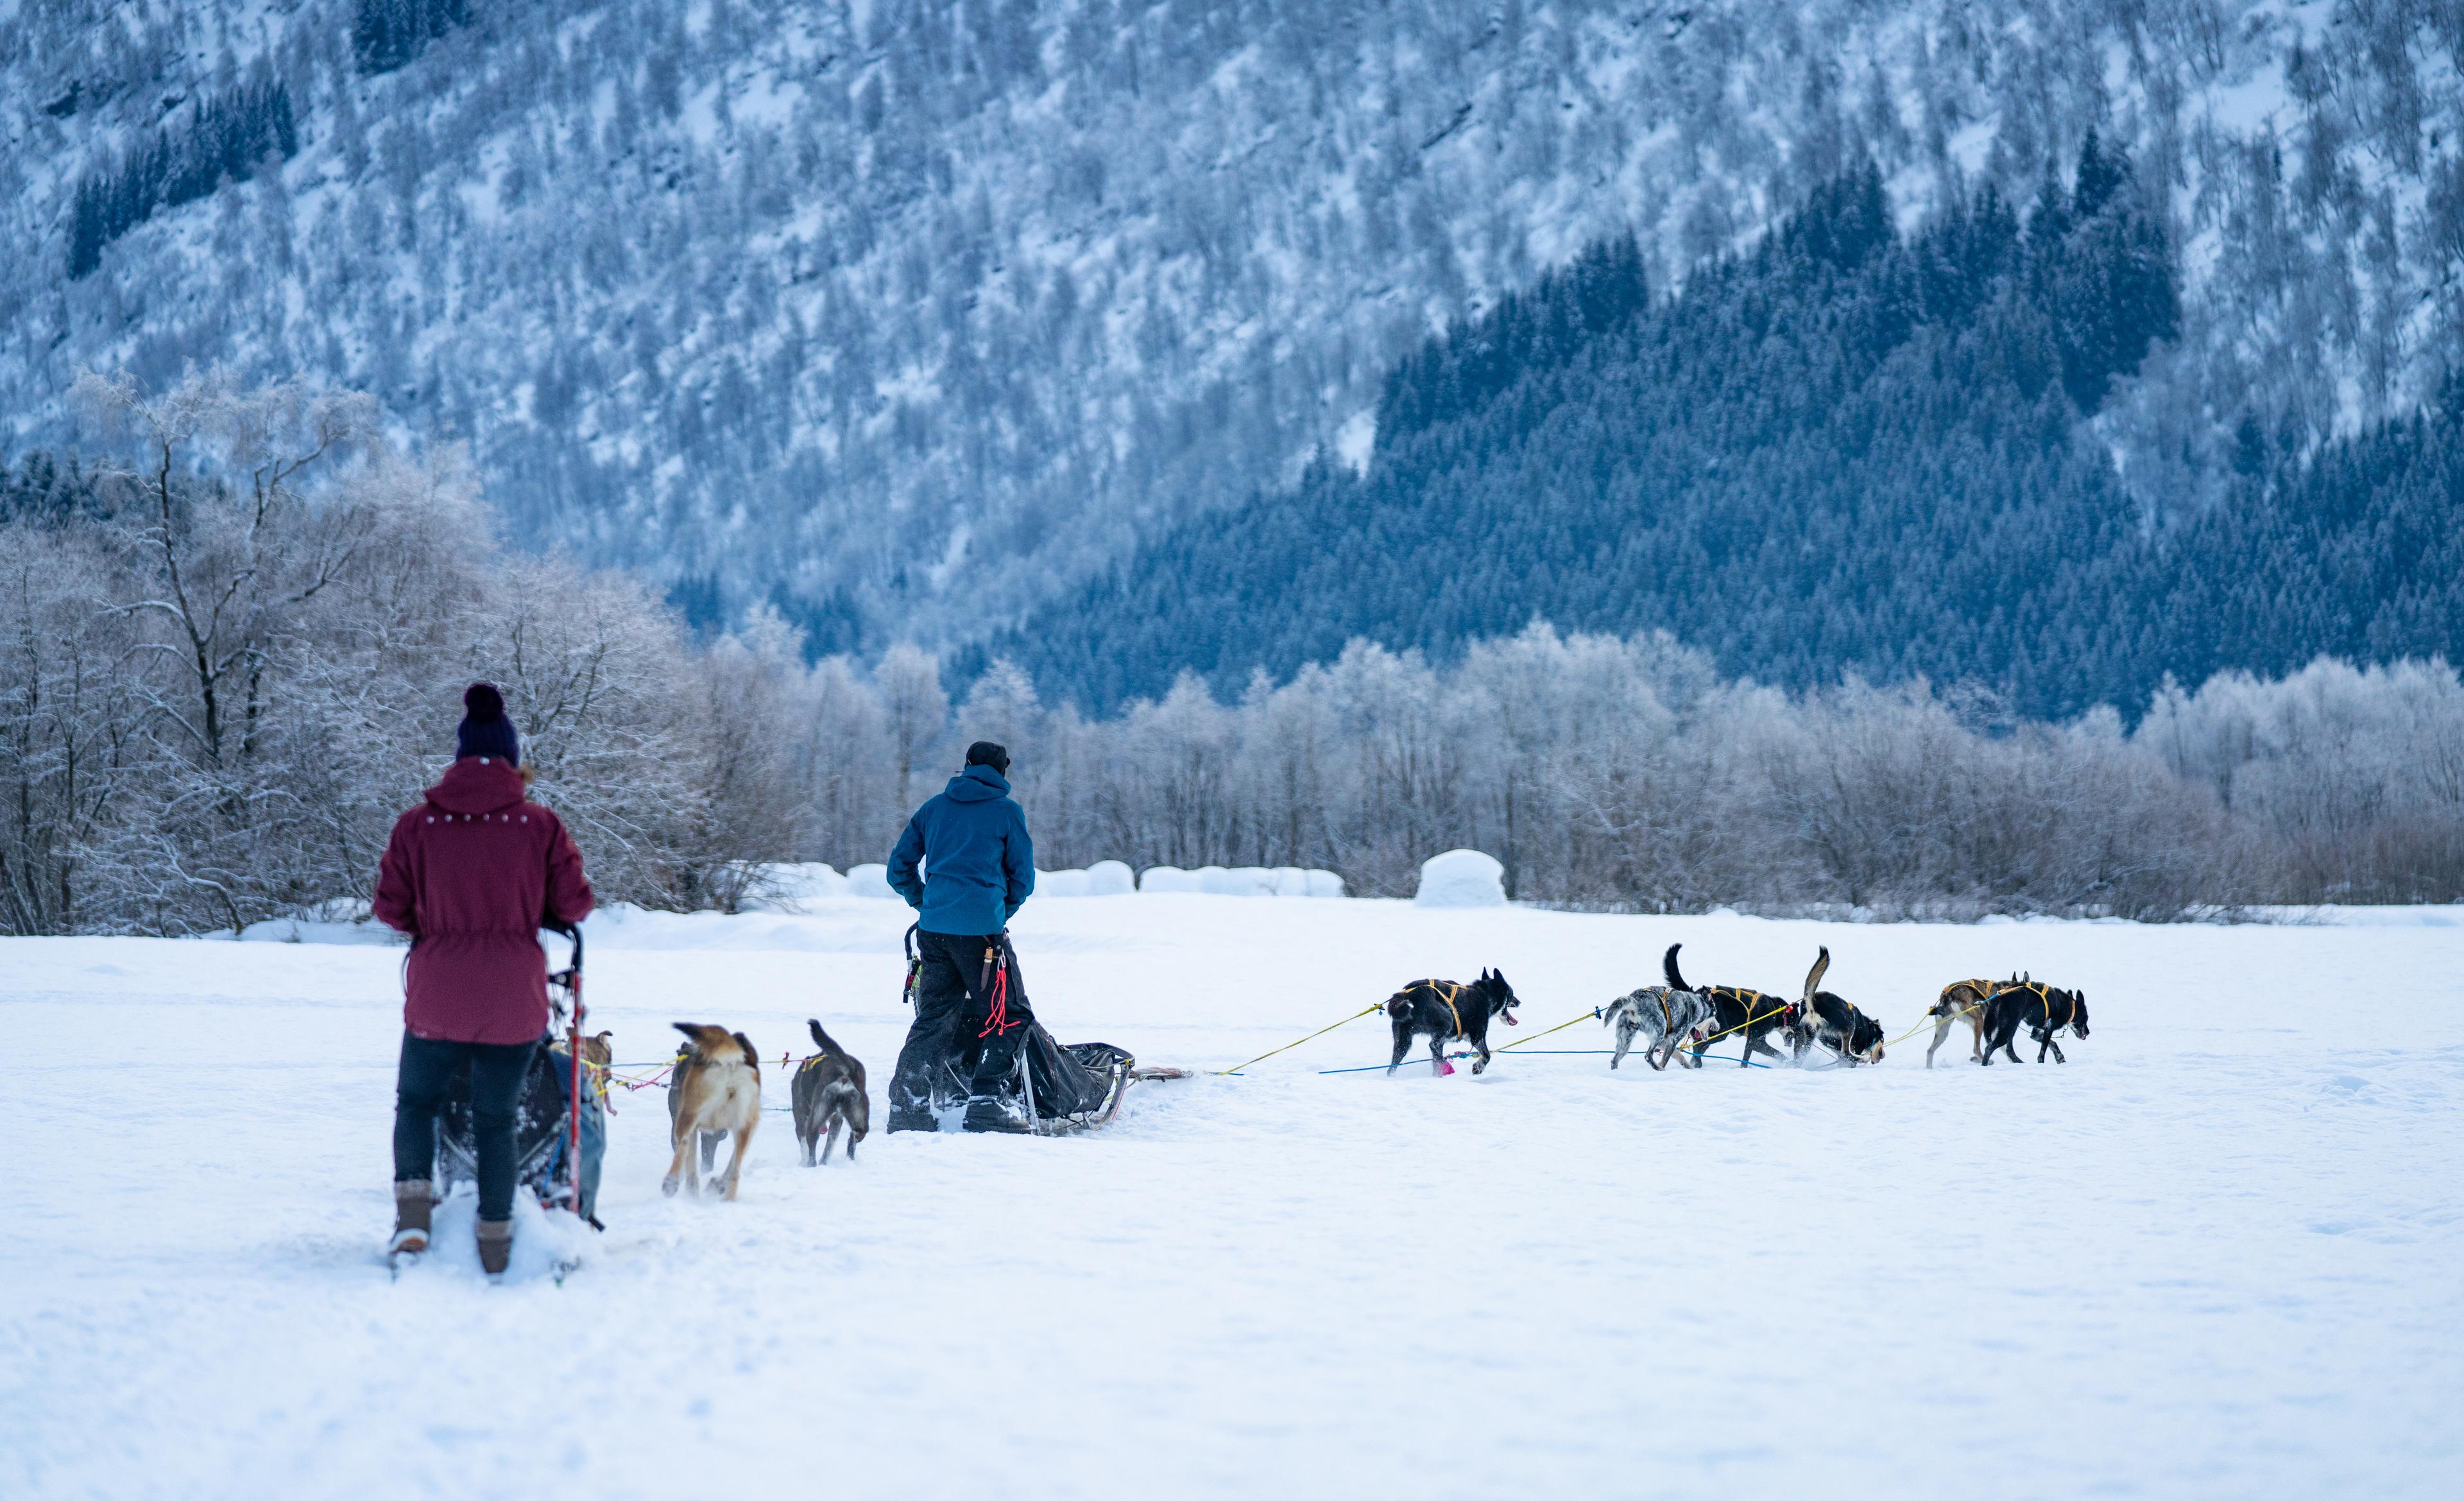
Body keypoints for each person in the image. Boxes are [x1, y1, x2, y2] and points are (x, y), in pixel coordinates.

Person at [373, 683, 594, 1272]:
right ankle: (496, 1243)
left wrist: (438, 918)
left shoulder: (417, 825)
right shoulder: (539, 825)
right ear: (513, 758)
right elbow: (575, 904)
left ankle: (413, 1222)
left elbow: (390, 908)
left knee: (416, 1102)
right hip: (511, 1000)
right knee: (496, 1119)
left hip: (436, 995)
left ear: (460, 757)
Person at [886, 740, 1037, 1133]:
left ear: (966, 765)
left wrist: (926, 904)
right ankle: (988, 1101)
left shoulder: (934, 807)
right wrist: (999, 912)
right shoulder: (1008, 812)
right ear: (1004, 772)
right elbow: (1023, 878)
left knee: (935, 1016)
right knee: (1010, 1015)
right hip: (983, 936)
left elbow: (898, 867)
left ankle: (908, 1107)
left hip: (934, 932)